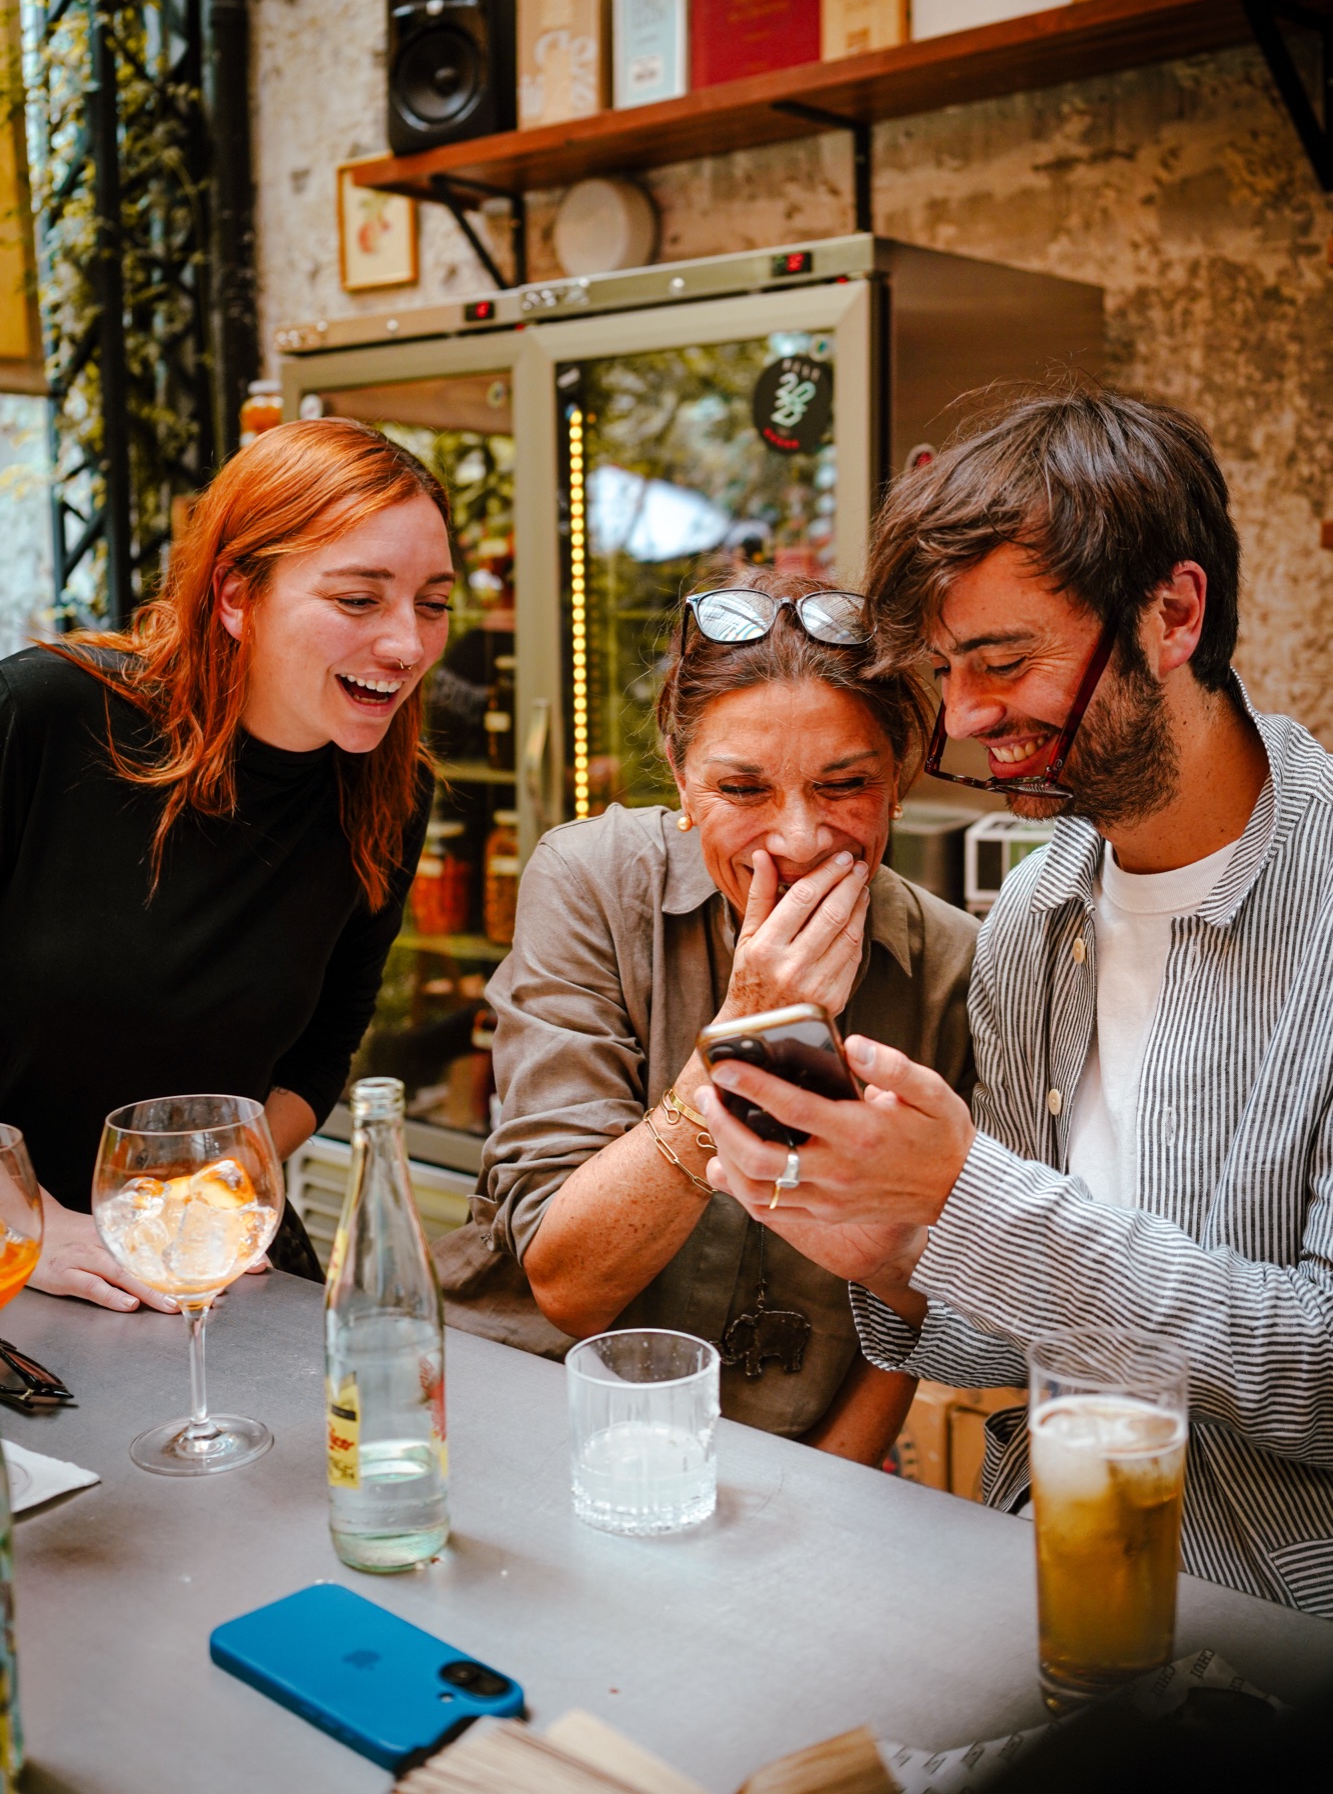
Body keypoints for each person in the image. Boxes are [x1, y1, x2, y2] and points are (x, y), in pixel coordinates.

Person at [699, 384, 1333, 1613]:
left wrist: (967, 1196)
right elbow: (1022, 1342)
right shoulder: (1037, 918)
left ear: (1172, 612)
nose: (972, 715)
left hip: (1276, 1639)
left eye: (1002, 659)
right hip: (1038, 1577)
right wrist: (888, 1252)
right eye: (948, 670)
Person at [438, 569, 976, 1464]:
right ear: (682, 780)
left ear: (897, 783)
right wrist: (748, 1034)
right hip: (535, 1423)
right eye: (743, 789)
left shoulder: (952, 966)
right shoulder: (592, 882)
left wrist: (833, 1492)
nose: (799, 839)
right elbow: (568, 1285)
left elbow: (920, 1304)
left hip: (791, 1455)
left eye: (843, 784)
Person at [0, 418, 452, 1310]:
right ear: (236, 596)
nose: (406, 645)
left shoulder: (388, 793)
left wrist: (192, 1208)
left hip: (206, 1243)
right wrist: (28, 1226)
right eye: (359, 599)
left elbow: (316, 1062)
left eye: (431, 603)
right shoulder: (41, 715)